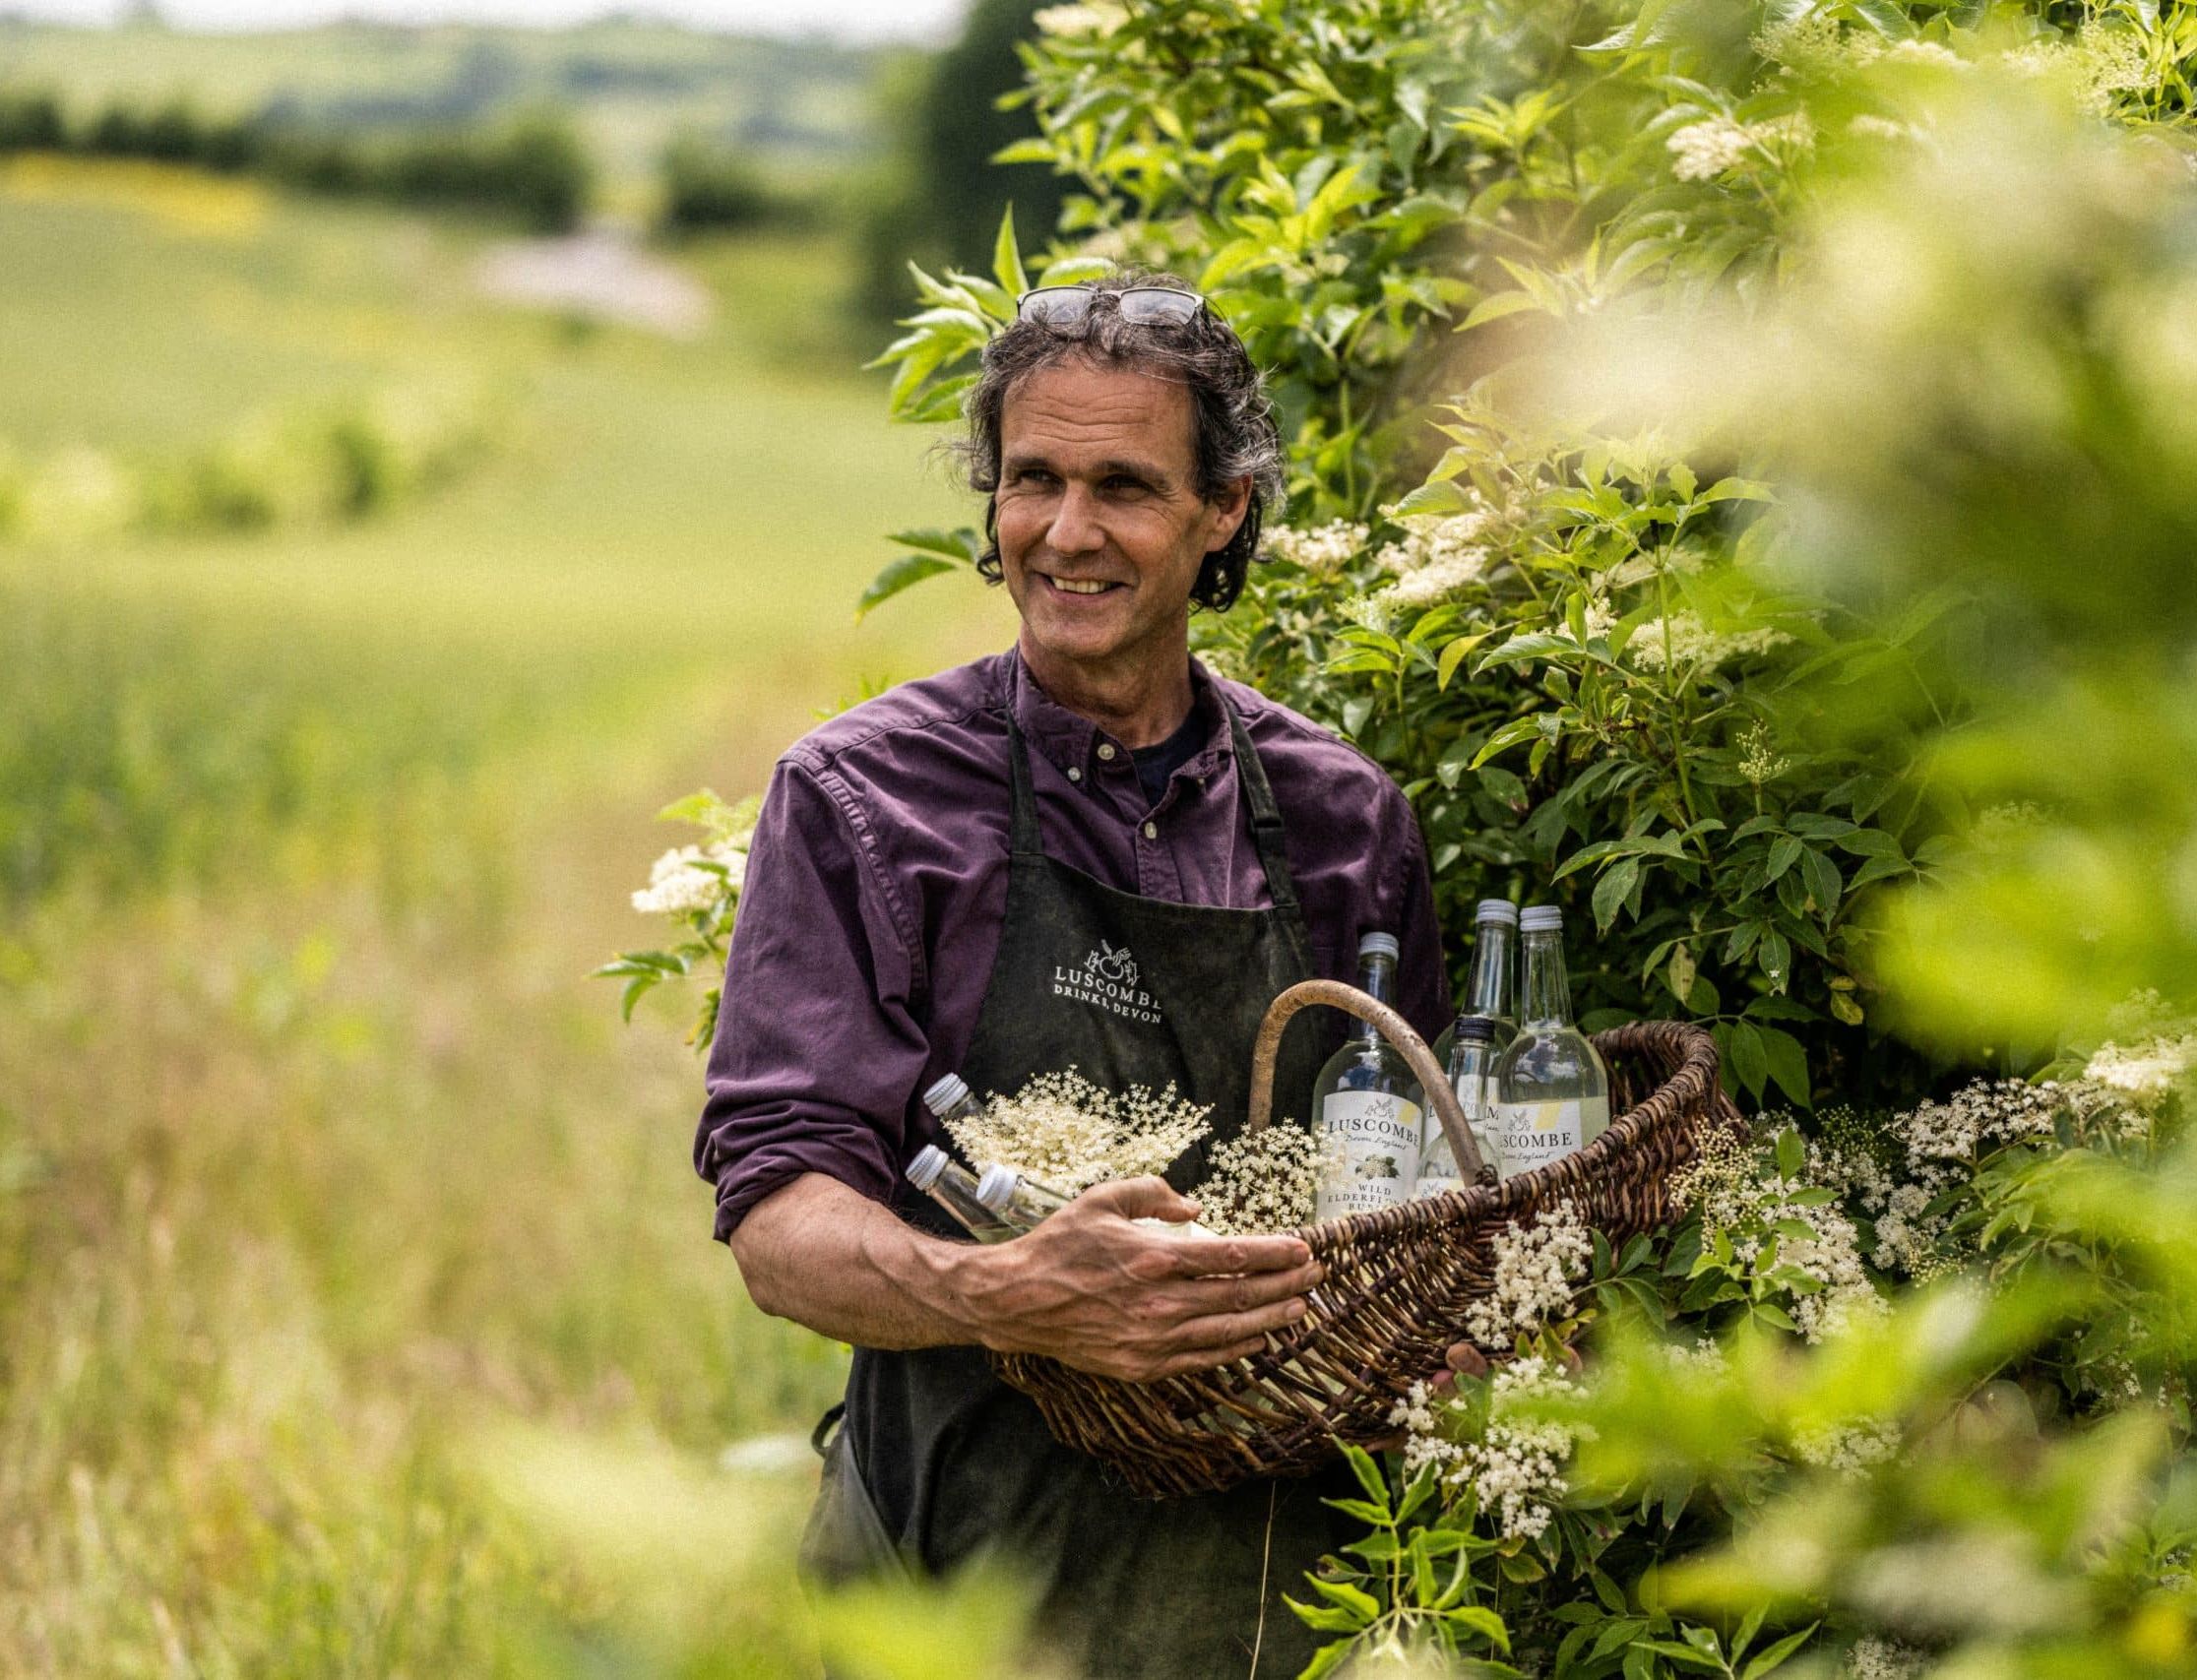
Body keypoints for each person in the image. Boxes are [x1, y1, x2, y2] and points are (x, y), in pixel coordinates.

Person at [695, 272, 1451, 1677]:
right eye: (1032, 478)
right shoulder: (867, 800)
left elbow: (1422, 1195)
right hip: (954, 1595)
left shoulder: (1345, 823)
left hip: (1277, 1595)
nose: (1067, 531)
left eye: (1125, 485)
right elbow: (778, 1216)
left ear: (1224, 510)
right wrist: (1005, 1292)